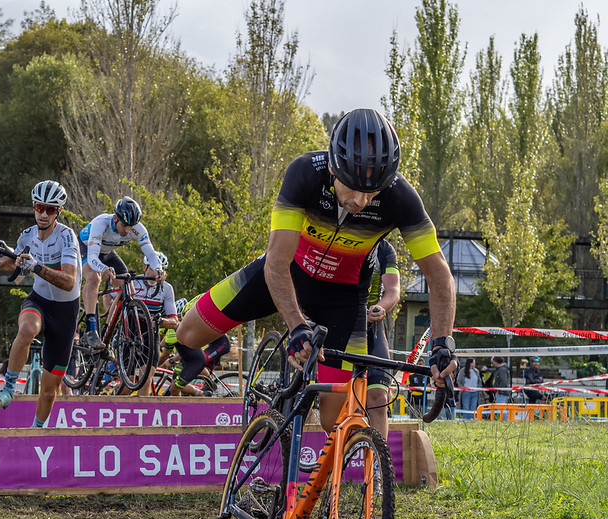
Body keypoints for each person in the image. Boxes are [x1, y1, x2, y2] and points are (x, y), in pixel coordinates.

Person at [175, 108, 457, 437]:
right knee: (188, 334)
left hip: (344, 299)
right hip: (287, 272)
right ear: (335, 169)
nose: (361, 200)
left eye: (372, 191)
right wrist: (295, 326)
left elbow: (440, 277)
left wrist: (443, 342)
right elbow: (277, 263)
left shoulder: (400, 197)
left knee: (331, 422)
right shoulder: (305, 173)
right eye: (352, 188)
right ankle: (273, 384)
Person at [0, 180, 80, 429]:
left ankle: (36, 430)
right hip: (38, 301)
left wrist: (38, 267)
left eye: (50, 209)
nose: (44, 213)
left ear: (58, 211)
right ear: (34, 208)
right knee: (27, 329)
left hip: (64, 312)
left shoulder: (66, 237)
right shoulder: (27, 235)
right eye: (40, 207)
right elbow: (15, 260)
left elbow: (69, 281)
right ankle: (8, 390)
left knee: (50, 390)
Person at [78, 196, 163, 350]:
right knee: (93, 278)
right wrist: (102, 269)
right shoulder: (100, 224)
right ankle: (91, 329)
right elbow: (92, 257)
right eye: (124, 225)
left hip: (108, 253)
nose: (128, 230)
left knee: (128, 291)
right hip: (87, 249)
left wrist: (158, 270)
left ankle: (108, 334)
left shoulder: (137, 229)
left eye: (131, 226)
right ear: (115, 218)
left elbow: (151, 254)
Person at [127, 251, 177, 396]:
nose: (155, 274)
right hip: (130, 332)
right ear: (144, 267)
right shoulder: (133, 283)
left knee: (146, 379)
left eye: (159, 271)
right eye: (152, 269)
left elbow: (174, 322)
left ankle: (143, 415)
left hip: (150, 333)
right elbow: (115, 303)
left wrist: (161, 321)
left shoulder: (166, 289)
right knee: (127, 386)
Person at [364, 239, 400, 433]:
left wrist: (380, 307)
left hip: (372, 328)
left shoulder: (384, 249)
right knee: (334, 400)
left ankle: (379, 461)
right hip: (340, 327)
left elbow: (393, 290)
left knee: (378, 397)